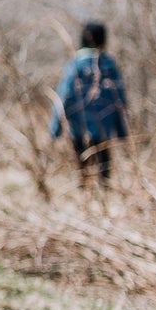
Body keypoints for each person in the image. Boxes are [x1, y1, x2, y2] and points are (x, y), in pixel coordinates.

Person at [48, 22, 128, 187]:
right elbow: (119, 99)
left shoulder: (75, 65)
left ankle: (83, 188)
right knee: (104, 159)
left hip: (78, 125)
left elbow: (63, 96)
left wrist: (55, 128)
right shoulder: (110, 66)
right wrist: (121, 131)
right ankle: (104, 189)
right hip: (104, 127)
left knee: (81, 160)